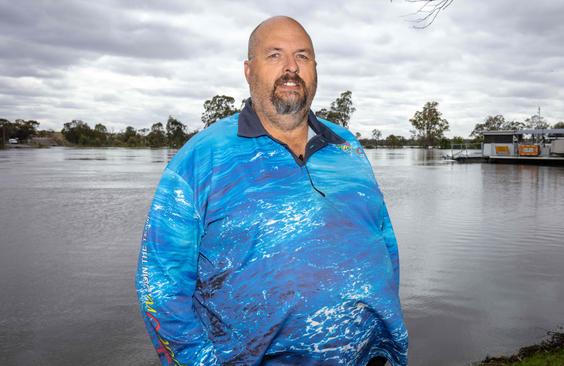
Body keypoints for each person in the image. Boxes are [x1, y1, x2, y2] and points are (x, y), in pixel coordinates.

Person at [135, 16, 408, 366]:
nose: (292, 67)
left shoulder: (348, 146)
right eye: (275, 55)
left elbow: (383, 237)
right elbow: (160, 286)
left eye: (303, 56)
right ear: (249, 71)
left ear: (315, 69)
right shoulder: (200, 159)